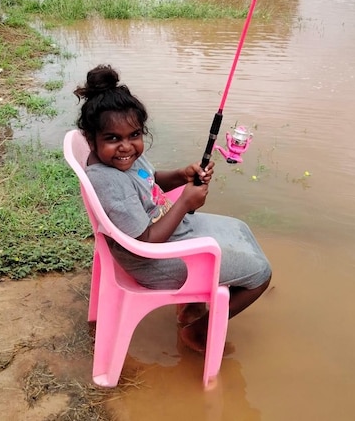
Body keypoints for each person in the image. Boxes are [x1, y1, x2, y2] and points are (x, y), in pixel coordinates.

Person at [74, 64, 272, 353]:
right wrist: (184, 202)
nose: (126, 146)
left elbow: (150, 180)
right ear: (91, 139)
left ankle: (191, 304)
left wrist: (182, 175)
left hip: (170, 235)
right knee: (261, 275)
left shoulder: (121, 160)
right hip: (152, 261)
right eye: (112, 138)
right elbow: (145, 242)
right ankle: (197, 331)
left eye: (134, 135)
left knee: (240, 228)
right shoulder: (109, 181)